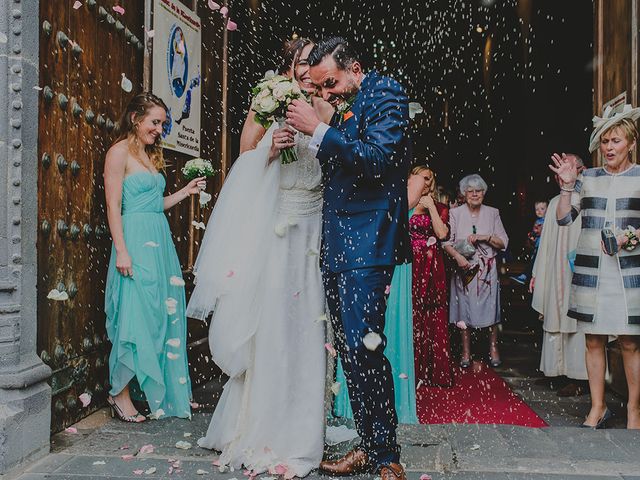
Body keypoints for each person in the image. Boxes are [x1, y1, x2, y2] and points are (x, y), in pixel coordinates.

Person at [187, 38, 333, 476]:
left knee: (308, 325)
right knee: (272, 326)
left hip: (314, 229)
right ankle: (261, 422)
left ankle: (303, 428)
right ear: (289, 66)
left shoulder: (327, 108)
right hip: (276, 228)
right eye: (301, 62)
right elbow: (242, 161)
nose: (308, 69)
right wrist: (271, 148)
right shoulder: (267, 101)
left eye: (314, 62)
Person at [287, 37, 411, 480]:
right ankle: (369, 442)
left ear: (355, 68)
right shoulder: (345, 103)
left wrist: (317, 130)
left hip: (369, 241)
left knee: (365, 345)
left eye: (332, 84)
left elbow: (378, 159)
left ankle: (385, 455)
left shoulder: (386, 93)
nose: (326, 94)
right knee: (349, 350)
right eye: (320, 88)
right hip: (337, 244)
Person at [103, 93, 205, 423]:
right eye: (155, 122)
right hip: (133, 239)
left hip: (158, 242)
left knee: (163, 313)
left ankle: (168, 389)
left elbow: (154, 204)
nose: (160, 129)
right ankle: (119, 393)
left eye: (163, 123)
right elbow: (113, 207)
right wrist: (122, 250)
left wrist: (184, 192)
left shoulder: (149, 155)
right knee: (136, 315)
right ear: (136, 118)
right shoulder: (118, 154)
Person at [550, 104, 640, 429]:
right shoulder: (588, 178)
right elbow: (564, 218)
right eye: (604, 142)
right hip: (594, 272)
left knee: (630, 341)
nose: (609, 147)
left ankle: (633, 410)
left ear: (630, 143)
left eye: (615, 141)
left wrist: (632, 236)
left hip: (627, 274)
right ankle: (597, 407)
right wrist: (566, 186)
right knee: (593, 339)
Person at [333, 170, 426, 424]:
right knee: (356, 333)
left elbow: (398, 205)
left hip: (385, 255)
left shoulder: (414, 182)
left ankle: (387, 410)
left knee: (384, 329)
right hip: (361, 255)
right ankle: (354, 407)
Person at [530, 155, 588, 397]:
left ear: (581, 169)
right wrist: (537, 273)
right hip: (556, 269)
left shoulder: (588, 196)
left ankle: (580, 377)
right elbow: (546, 245)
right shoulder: (555, 202)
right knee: (555, 315)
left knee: (579, 322)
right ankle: (556, 371)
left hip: (578, 270)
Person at [443, 174, 508, 369]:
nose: (474, 194)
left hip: (487, 270)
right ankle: (465, 352)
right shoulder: (455, 213)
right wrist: (459, 257)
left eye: (478, 191)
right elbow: (446, 242)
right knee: (464, 308)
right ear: (464, 193)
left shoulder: (493, 212)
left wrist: (485, 236)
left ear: (484, 193)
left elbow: (503, 242)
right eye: (470, 191)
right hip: (465, 268)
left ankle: (493, 348)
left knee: (491, 308)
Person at [410, 167, 452, 387]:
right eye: (420, 178)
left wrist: (432, 208)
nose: (424, 182)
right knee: (410, 312)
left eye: (428, 179)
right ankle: (409, 368)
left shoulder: (440, 208)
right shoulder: (403, 203)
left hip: (430, 264)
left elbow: (442, 234)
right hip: (407, 265)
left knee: (430, 314)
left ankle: (430, 370)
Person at [512, 200, 548, 285]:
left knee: (534, 262)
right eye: (537, 209)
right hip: (537, 245)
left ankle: (525, 276)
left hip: (543, 246)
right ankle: (527, 277)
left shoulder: (547, 221)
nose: (539, 211)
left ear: (547, 209)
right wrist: (532, 237)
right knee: (533, 261)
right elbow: (535, 233)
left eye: (542, 209)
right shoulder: (537, 221)